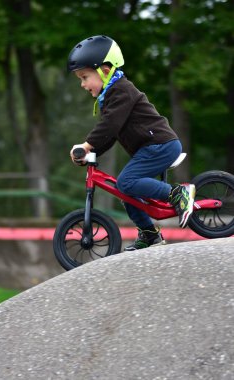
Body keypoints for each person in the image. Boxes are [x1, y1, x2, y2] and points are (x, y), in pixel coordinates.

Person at [68, 35, 196, 251]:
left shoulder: (121, 90)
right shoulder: (111, 96)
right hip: (151, 148)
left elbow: (108, 126)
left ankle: (178, 193)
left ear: (105, 70)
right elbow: (111, 134)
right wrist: (92, 154)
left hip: (160, 145)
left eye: (84, 77)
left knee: (126, 182)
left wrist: (87, 145)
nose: (82, 84)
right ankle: (149, 234)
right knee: (125, 189)